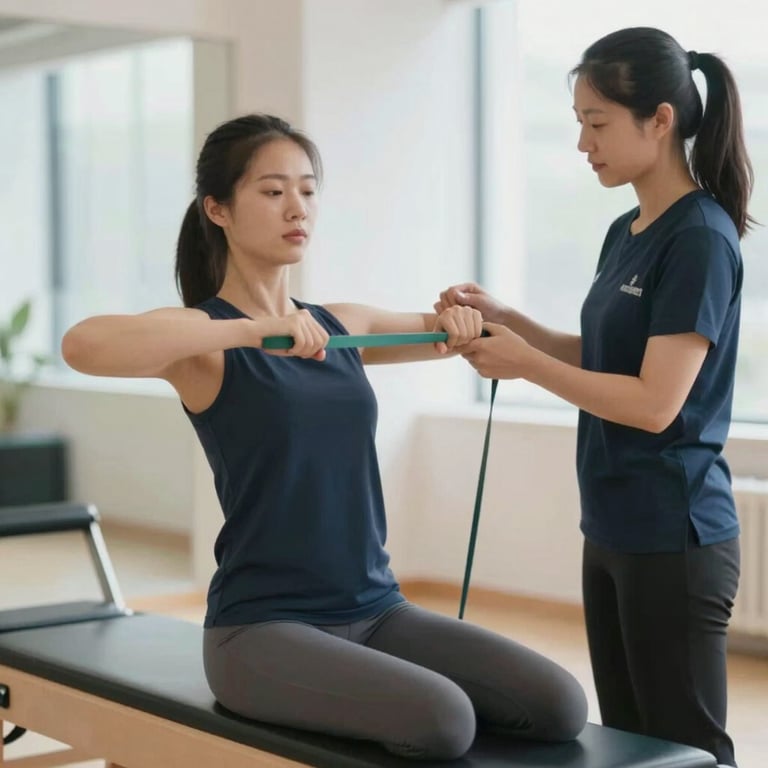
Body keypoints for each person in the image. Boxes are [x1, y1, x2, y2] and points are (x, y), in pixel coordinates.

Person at [61, 113, 587, 760]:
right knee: (443, 720)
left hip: (378, 611)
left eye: (308, 191)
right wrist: (249, 332)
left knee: (559, 704)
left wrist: (462, 319)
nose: (296, 208)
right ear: (217, 209)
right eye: (273, 190)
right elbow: (83, 344)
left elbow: (450, 332)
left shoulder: (341, 325)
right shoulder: (206, 340)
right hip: (261, 629)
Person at [436, 27, 753, 768]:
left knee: (689, 753)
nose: (582, 143)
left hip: (674, 538)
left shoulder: (699, 238)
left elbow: (653, 403)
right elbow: (606, 358)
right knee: (631, 748)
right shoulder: (626, 230)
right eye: (579, 123)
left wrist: (523, 366)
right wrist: (515, 326)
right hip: (610, 524)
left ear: (662, 120)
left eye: (597, 123)